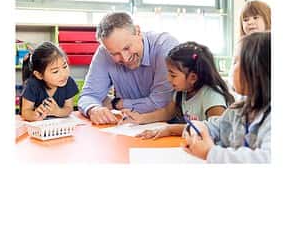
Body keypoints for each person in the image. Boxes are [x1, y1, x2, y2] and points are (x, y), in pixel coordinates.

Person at [183, 31, 271, 163]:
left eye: (235, 61)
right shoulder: (238, 109)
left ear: (256, 70)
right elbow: (217, 126)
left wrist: (210, 153)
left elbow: (266, 160)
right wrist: (197, 127)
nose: (231, 67)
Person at [76, 12, 179, 125]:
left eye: (127, 48)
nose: (125, 58)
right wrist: (94, 109)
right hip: (128, 127)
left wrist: (116, 103)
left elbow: (161, 103)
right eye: (115, 54)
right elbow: (88, 96)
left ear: (138, 32)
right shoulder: (104, 52)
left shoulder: (165, 47)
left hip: (170, 127)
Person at [129, 42, 234, 138]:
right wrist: (141, 118)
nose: (168, 79)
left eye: (173, 75)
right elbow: (167, 112)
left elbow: (217, 130)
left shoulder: (212, 95)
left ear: (193, 77)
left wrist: (171, 130)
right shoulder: (183, 92)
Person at [20, 42, 78, 122]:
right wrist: (34, 115)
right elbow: (25, 111)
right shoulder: (32, 85)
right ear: (39, 75)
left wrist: (58, 111)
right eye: (55, 71)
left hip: (59, 127)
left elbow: (68, 108)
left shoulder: (68, 82)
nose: (64, 74)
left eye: (65, 66)